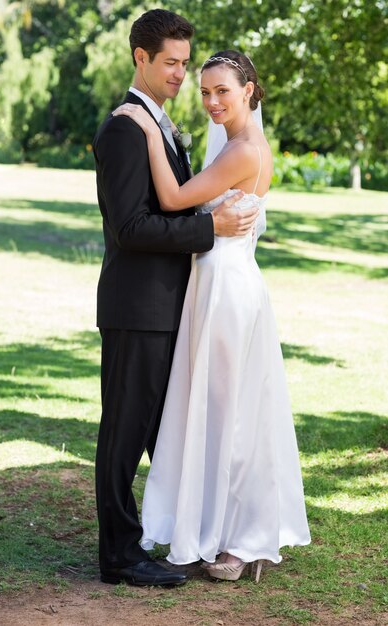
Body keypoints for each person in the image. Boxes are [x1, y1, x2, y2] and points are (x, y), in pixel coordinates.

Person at [113, 50, 311, 582]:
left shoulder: (245, 150)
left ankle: (241, 538)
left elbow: (176, 197)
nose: (211, 101)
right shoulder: (233, 143)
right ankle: (222, 530)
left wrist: (150, 130)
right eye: (204, 92)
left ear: (249, 90)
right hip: (216, 282)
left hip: (225, 288)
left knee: (231, 411)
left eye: (222, 90)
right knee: (225, 408)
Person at [93, 11, 259, 588]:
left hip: (173, 310)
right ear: (140, 57)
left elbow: (176, 203)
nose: (180, 75)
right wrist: (211, 231)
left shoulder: (159, 125)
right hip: (137, 308)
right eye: (171, 63)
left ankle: (191, 531)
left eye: (186, 64)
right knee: (124, 433)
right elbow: (131, 228)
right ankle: (118, 553)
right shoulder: (123, 128)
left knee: (167, 432)